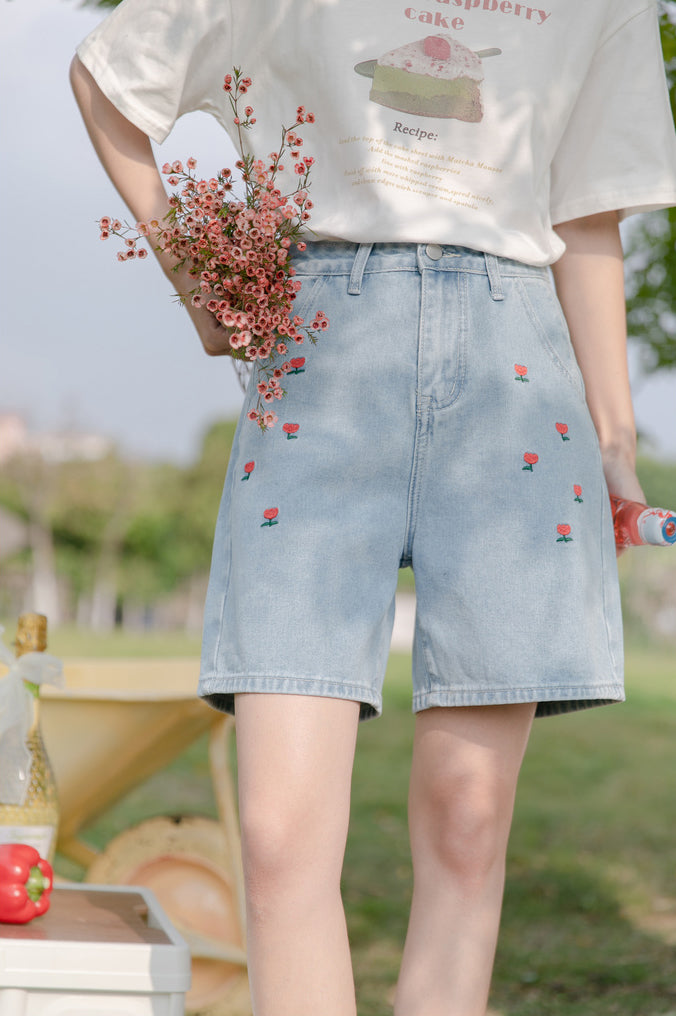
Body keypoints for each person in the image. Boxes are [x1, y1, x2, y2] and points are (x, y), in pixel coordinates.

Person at [70, 2, 676, 1013]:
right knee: (276, 833)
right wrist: (193, 273)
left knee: (468, 816)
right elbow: (107, 76)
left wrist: (616, 448)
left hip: (513, 369)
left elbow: (585, 218)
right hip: (320, 358)